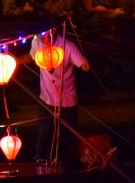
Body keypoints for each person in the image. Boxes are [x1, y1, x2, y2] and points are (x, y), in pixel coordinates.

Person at [30, 29, 90, 172]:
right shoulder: (36, 42)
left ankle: (67, 166)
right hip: (46, 98)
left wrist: (84, 65)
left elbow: (81, 62)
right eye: (41, 33)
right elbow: (31, 56)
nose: (44, 37)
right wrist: (15, 61)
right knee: (45, 132)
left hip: (67, 99)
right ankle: (41, 163)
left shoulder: (67, 46)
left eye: (47, 32)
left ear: (54, 31)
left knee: (68, 135)